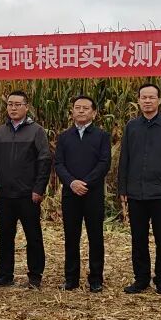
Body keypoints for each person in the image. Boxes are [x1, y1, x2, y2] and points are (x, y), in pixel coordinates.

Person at [117, 83, 161, 296]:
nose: (147, 101)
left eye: (151, 97)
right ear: (138, 101)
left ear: (159, 100)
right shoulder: (132, 126)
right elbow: (124, 158)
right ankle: (141, 279)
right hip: (136, 192)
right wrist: (122, 188)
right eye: (143, 97)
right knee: (138, 238)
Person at [0, 90, 51, 289]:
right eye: (10, 104)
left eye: (17, 104)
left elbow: (44, 161)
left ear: (26, 107)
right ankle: (5, 274)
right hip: (5, 194)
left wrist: (38, 188)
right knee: (5, 236)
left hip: (28, 194)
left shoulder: (36, 131)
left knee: (33, 236)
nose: (13, 108)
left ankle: (35, 275)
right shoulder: (0, 132)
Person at [53, 95, 111, 292]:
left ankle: (96, 279)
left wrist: (85, 183)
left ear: (94, 113)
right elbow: (59, 163)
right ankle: (71, 279)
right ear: (72, 112)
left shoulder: (101, 136)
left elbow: (104, 163)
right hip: (70, 194)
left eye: (85, 108)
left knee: (95, 237)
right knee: (71, 237)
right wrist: (72, 182)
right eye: (77, 107)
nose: (81, 111)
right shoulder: (64, 137)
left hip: (93, 193)